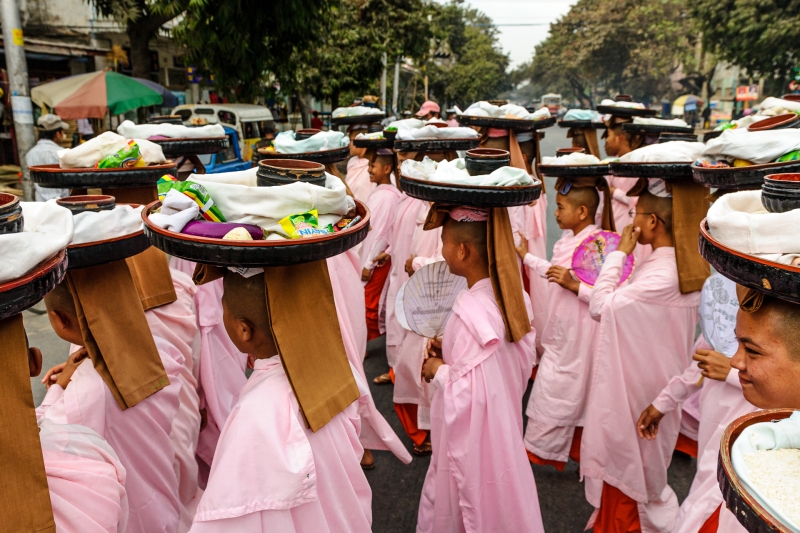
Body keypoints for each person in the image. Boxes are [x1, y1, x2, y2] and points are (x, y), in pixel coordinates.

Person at [188, 271, 372, 532]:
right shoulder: (338, 368)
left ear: (243, 330)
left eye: (224, 306)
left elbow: (229, 514)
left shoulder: (255, 414)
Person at [580, 181, 703, 533]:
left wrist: (619, 253)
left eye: (636, 214)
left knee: (633, 479)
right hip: (652, 385)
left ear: (653, 223)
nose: (631, 220)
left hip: (640, 394)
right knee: (633, 475)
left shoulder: (664, 275)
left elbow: (600, 306)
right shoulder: (676, 266)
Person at [417, 206, 544, 533]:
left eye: (443, 242)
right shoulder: (514, 297)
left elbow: (474, 394)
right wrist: (448, 349)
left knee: (466, 501)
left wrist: (438, 369)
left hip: (474, 436)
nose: (440, 251)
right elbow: (501, 364)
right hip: (504, 421)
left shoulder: (469, 310)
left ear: (463, 250)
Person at [38, 272, 185, 533]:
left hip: (128, 513)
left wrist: (58, 390)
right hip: (161, 498)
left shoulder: (85, 391)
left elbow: (45, 440)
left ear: (58, 320)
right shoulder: (156, 349)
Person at [637, 274, 753, 533]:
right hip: (713, 428)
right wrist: (663, 402)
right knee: (703, 487)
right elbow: (700, 361)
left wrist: (731, 373)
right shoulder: (726, 309)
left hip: (752, 436)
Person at [518, 177, 614, 470]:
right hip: (563, 330)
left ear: (583, 212)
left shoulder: (599, 246)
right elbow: (554, 272)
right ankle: (547, 448)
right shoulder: (567, 240)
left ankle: (547, 450)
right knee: (558, 384)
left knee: (565, 386)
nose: (556, 213)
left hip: (582, 333)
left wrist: (576, 288)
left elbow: (609, 297)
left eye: (560, 207)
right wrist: (527, 257)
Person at [360, 151, 402, 341]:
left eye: (373, 166)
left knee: (370, 303)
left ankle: (365, 344)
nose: (369, 170)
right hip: (369, 256)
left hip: (376, 260)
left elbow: (383, 233)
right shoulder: (380, 193)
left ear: (386, 168)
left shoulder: (389, 197)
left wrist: (369, 264)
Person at [26, 114, 70, 201]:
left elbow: (30, 182)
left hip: (41, 206)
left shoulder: (30, 153)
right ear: (57, 134)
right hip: (61, 204)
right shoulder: (61, 153)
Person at [345, 125, 373, 204]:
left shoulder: (372, 165)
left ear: (362, 141)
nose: (349, 144)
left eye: (352, 140)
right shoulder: (352, 162)